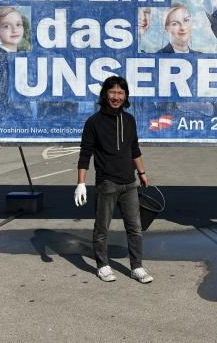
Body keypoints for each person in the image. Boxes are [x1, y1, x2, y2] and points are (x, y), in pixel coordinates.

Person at [74, 76, 153, 284]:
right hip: (106, 183)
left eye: (120, 93)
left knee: (135, 228)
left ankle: (137, 267)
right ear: (104, 94)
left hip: (129, 183)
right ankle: (102, 265)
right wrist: (80, 183)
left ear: (125, 96)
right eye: (112, 92)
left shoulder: (129, 120)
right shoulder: (93, 122)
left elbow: (134, 149)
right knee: (102, 228)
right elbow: (85, 154)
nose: (116, 97)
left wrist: (142, 173)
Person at [0, 6, 31, 117]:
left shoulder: (24, 59)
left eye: (18, 25)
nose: (14, 30)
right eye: (6, 26)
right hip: (14, 128)